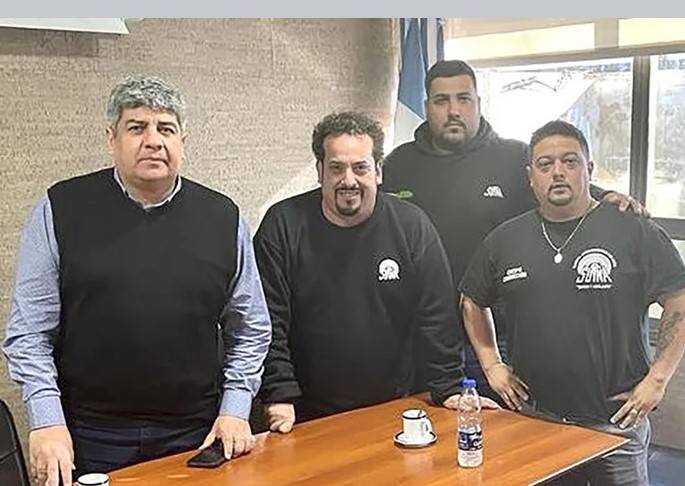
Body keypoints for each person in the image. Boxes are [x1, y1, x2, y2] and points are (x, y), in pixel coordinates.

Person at [2, 75, 272, 486]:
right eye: (137, 127)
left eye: (166, 129)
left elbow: (250, 328)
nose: (153, 141)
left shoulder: (223, 218)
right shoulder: (60, 208)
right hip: (90, 434)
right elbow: (29, 333)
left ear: (183, 141)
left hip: (197, 432)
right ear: (111, 138)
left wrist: (235, 410)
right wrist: (46, 421)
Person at [383, 59, 645, 401]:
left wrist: (606, 195)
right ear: (426, 106)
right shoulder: (399, 164)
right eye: (442, 100)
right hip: (423, 337)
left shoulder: (512, 157)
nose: (454, 110)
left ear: (479, 103)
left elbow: (560, 186)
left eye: (464, 99)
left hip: (500, 337)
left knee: (507, 430)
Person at [459, 120, 685, 485]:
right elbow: (472, 299)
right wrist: (492, 364)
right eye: (545, 164)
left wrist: (657, 380)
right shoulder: (505, 239)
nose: (558, 172)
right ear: (530, 177)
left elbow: (679, 301)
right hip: (537, 420)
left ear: (589, 169)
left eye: (570, 161)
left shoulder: (634, 230)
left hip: (616, 424)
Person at [254, 111, 481, 433]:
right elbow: (267, 320)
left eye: (360, 167)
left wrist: (448, 386)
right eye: (336, 168)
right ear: (320, 171)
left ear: (378, 171)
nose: (348, 180)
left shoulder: (412, 226)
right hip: (305, 411)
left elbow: (437, 315)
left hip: (395, 404)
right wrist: (278, 393)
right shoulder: (283, 225)